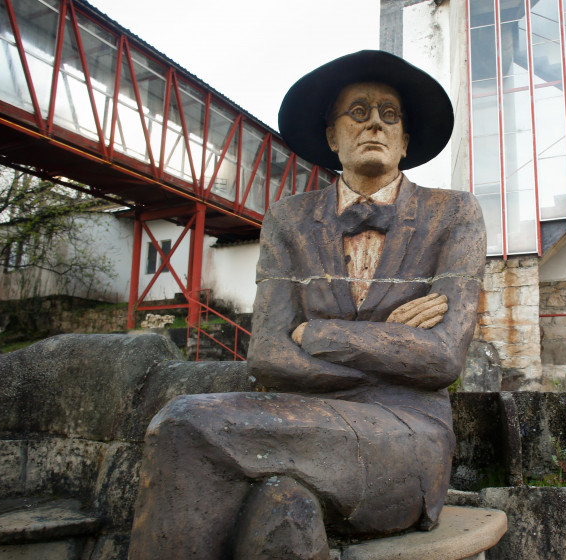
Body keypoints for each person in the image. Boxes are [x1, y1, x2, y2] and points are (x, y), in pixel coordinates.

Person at [127, 50, 485, 560]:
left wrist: (319, 335)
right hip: (304, 422)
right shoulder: (289, 220)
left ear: (405, 140)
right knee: (279, 508)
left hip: (407, 435)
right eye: (358, 113)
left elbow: (443, 357)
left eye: (390, 115)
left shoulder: (453, 214)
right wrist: (389, 351)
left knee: (185, 424)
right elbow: (268, 354)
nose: (375, 126)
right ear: (332, 136)